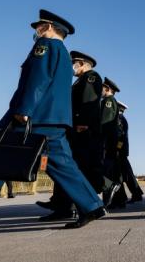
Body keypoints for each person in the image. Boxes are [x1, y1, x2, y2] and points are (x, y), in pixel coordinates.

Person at [0, 9, 105, 228]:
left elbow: (38, 79)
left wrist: (24, 109)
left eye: (39, 26)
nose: (36, 31)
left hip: (33, 116)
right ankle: (92, 205)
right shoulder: (63, 52)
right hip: (52, 119)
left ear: (48, 27)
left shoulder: (44, 47)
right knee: (63, 165)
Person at [38, 50, 104, 220]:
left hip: (83, 131)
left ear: (82, 63)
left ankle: (77, 205)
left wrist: (82, 124)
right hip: (74, 130)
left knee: (78, 167)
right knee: (66, 165)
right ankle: (61, 205)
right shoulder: (79, 81)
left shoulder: (91, 77)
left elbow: (88, 103)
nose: (72, 65)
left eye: (74, 62)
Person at [111, 101, 144, 206]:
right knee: (126, 174)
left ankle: (131, 195)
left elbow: (121, 137)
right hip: (122, 151)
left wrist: (117, 149)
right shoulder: (121, 119)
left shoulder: (119, 119)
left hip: (120, 152)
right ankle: (135, 194)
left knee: (125, 174)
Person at [100, 77, 123, 206]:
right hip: (109, 143)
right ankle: (111, 200)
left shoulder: (108, 102)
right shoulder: (109, 101)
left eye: (102, 88)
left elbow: (104, 123)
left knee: (105, 171)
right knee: (109, 171)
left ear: (108, 89)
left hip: (106, 143)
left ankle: (109, 191)